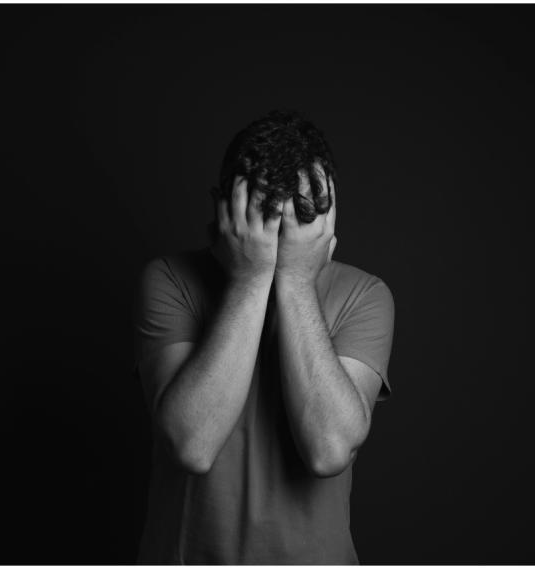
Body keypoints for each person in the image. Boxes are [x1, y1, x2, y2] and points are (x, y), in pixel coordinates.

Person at [132, 110, 395, 564]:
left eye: (298, 217)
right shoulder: (169, 280)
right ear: (225, 211)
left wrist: (295, 281)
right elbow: (192, 444)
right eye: (264, 215)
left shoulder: (365, 295)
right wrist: (251, 279)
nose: (277, 235)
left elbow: (329, 448)